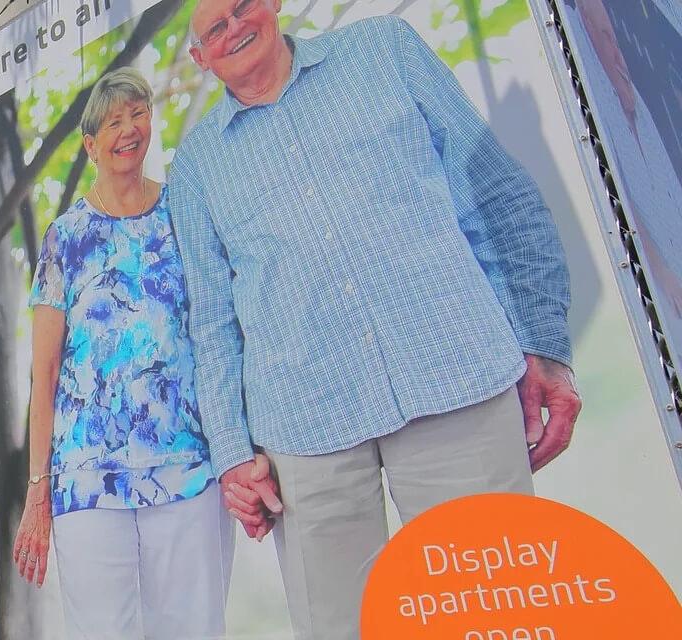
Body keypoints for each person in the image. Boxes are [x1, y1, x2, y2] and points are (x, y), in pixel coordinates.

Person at [166, 1, 583, 638]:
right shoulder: (196, 165)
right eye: (213, 29)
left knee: (502, 611)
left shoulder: (384, 51)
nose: (235, 29)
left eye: (242, 6)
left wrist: (543, 343)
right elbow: (212, 322)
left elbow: (494, 192)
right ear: (200, 58)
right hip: (304, 429)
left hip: (456, 379)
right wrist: (230, 454)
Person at [11, 66, 236, 640]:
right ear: (90, 145)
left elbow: (216, 329)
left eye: (138, 114)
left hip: (186, 466)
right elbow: (45, 372)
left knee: (194, 629)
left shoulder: (183, 213)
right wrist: (38, 490)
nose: (128, 129)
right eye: (113, 121)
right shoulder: (66, 238)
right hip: (88, 477)